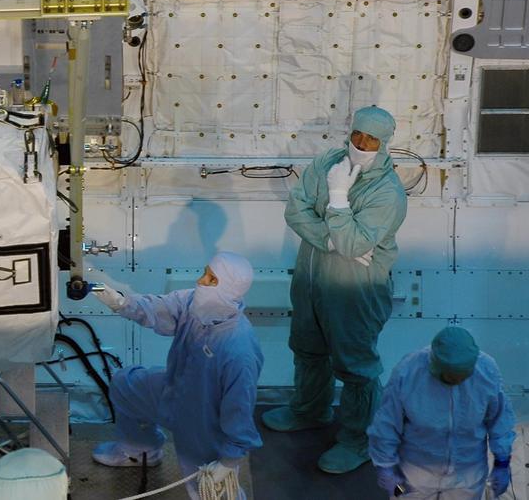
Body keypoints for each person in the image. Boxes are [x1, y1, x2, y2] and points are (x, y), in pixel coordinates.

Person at [262, 105, 408, 474]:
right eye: (357, 134)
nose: (361, 143)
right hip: (311, 279)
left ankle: (360, 440)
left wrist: (338, 197)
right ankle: (310, 410)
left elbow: (354, 245)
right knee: (307, 349)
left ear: (384, 143)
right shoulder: (328, 161)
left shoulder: (387, 192)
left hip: (355, 290)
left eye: (371, 139)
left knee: (356, 365)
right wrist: (330, 241)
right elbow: (295, 211)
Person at [90, 251, 263, 500]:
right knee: (125, 384)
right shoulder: (194, 304)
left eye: (211, 279)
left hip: (204, 423)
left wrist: (229, 460)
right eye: (205, 273)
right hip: (172, 392)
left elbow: (239, 408)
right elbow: (158, 307)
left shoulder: (239, 349)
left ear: (229, 289)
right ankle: (138, 450)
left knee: (208, 489)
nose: (200, 281)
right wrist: (120, 302)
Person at [368, 326, 515, 499]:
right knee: (401, 495)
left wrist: (502, 464)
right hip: (412, 475)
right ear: (434, 365)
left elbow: (500, 420)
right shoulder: (408, 371)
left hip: (468, 475)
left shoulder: (487, 370)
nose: (454, 382)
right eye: (449, 377)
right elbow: (386, 424)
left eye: (461, 377)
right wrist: (385, 467)